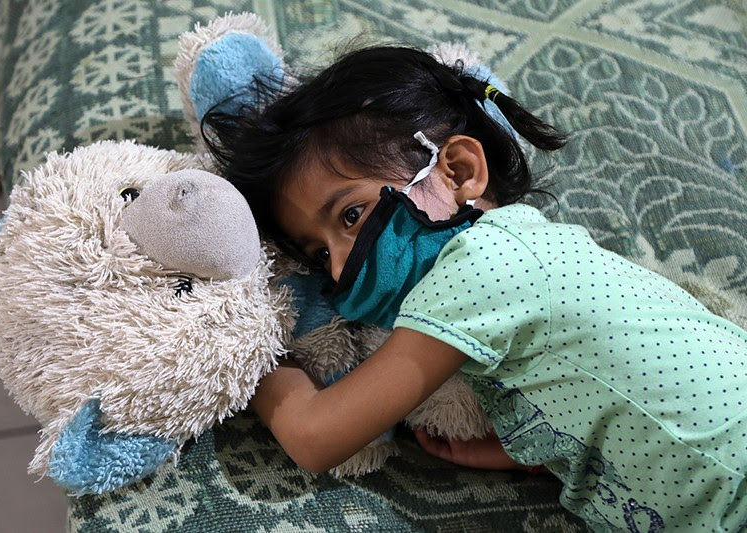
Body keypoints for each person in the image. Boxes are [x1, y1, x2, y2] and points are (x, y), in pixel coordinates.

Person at [204, 45, 747, 531]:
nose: (340, 268)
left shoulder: (479, 265)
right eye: (319, 253)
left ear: (459, 171)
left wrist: (253, 351)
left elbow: (316, 438)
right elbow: (615, 384)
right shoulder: (519, 258)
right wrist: (528, 451)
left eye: (350, 214)